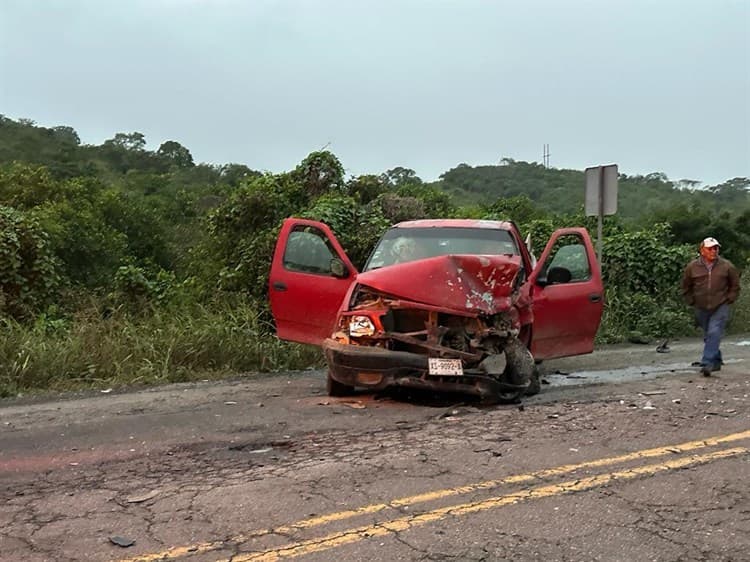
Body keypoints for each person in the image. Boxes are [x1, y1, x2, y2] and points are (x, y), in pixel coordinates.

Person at [681, 237, 741, 376]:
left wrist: (730, 298)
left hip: (720, 304)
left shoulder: (726, 266)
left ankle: (707, 362)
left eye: (716, 248)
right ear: (702, 250)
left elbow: (735, 285)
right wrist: (691, 300)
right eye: (710, 248)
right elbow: (686, 286)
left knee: (714, 332)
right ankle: (716, 361)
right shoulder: (692, 267)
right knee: (709, 335)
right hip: (701, 306)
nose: (714, 251)